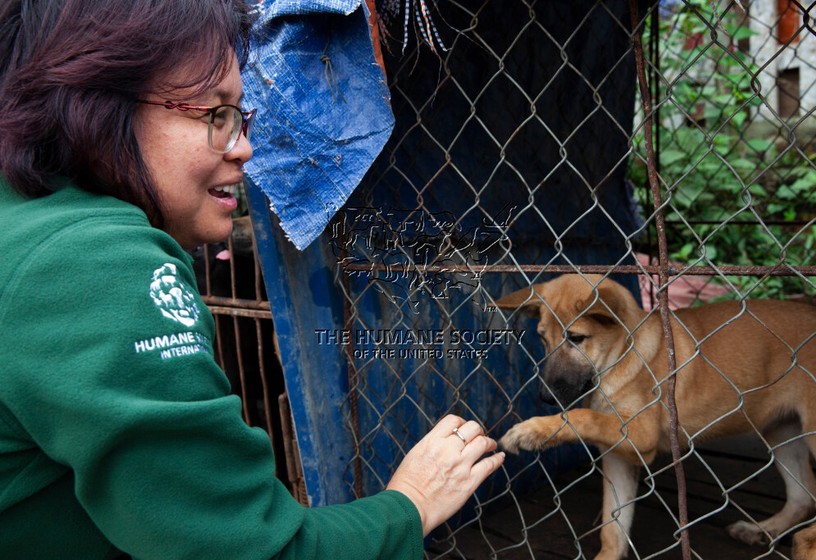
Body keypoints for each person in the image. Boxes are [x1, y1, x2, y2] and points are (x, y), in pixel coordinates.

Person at [0, 1, 505, 558]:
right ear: (98, 106)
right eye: (214, 114)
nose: (244, 147)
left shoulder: (22, 222)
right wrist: (410, 502)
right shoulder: (94, 261)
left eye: (240, 116)